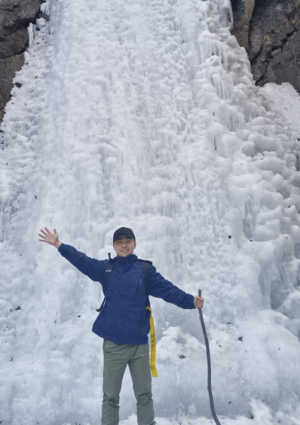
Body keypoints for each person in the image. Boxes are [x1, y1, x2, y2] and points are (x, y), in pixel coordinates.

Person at [39, 226, 204, 425]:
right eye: (120, 242)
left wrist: (190, 301)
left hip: (139, 346)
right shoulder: (105, 269)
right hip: (114, 345)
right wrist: (58, 244)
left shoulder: (145, 270)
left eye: (128, 241)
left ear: (134, 244)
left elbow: (169, 291)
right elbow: (81, 260)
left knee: (144, 395)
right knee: (110, 397)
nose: (124, 245)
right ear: (114, 246)